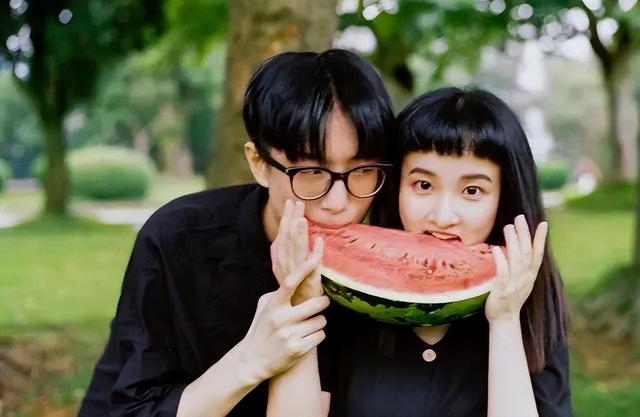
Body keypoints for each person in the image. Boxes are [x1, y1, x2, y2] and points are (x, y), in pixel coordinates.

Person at [77, 48, 395, 417]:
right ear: (259, 163)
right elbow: (133, 409)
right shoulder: (177, 241)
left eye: (363, 170)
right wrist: (252, 359)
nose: (339, 202)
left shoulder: (385, 269)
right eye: (311, 172)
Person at [277, 87, 572, 417]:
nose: (443, 216)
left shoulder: (532, 309)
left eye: (472, 190)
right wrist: (301, 306)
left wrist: (505, 322)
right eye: (424, 185)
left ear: (505, 198)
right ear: (395, 187)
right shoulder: (341, 299)